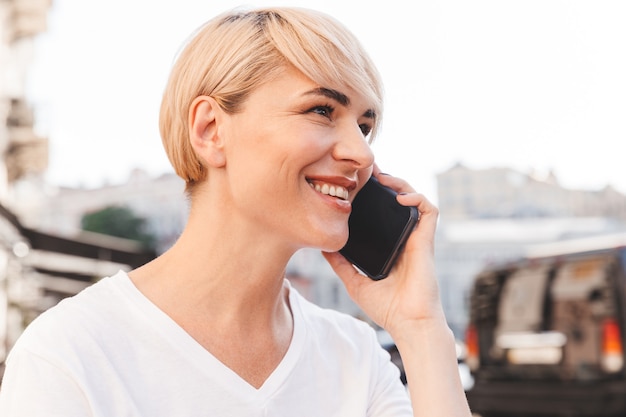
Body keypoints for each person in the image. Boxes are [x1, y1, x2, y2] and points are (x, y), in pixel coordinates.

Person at [0, 6, 471, 416]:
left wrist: (421, 329)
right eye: (323, 110)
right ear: (209, 130)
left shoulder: (354, 357)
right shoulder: (71, 354)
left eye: (365, 127)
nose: (362, 154)